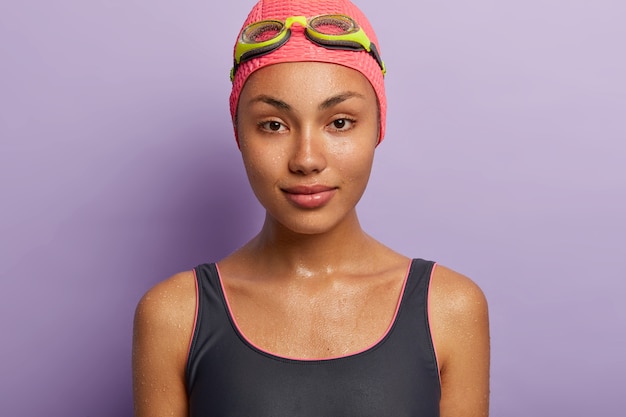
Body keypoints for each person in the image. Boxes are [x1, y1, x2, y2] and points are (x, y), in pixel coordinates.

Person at [132, 0, 490, 416]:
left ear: (378, 126)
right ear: (238, 134)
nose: (306, 159)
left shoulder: (448, 308)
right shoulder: (175, 315)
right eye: (273, 125)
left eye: (339, 122)